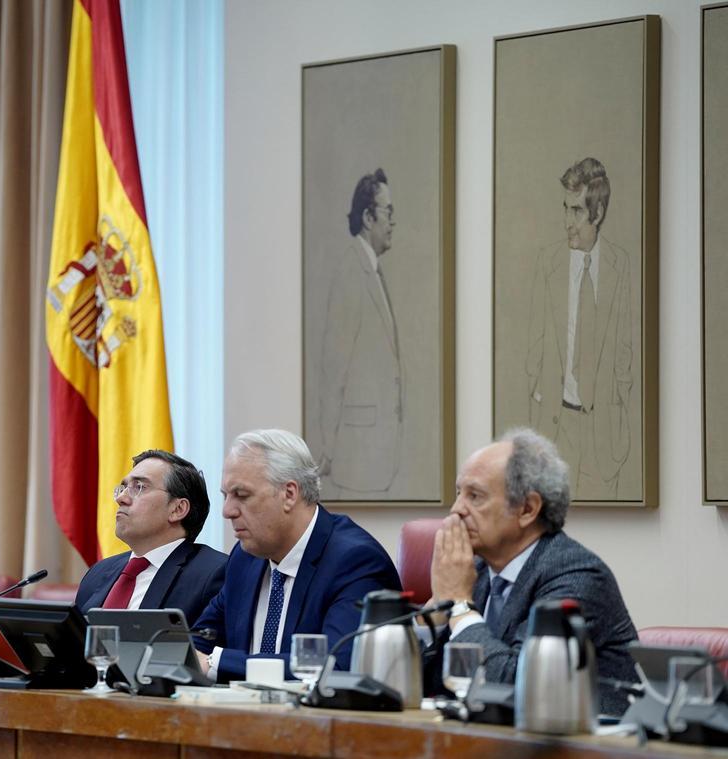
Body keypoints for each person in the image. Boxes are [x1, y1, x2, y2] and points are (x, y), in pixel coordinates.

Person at [424, 427, 638, 715]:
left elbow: (521, 689)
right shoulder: (473, 572)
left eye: (475, 496)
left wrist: (459, 605)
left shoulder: (578, 576)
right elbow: (435, 686)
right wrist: (437, 614)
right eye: (459, 493)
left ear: (527, 509)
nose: (455, 510)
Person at [193, 429, 401, 682]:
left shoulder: (355, 561)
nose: (227, 512)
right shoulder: (246, 557)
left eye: (242, 495)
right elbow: (202, 639)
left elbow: (335, 667)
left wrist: (218, 663)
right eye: (226, 496)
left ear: (289, 494)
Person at [525, 157, 633, 500]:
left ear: (597, 214)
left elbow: (625, 351)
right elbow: (535, 348)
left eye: (576, 211)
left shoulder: (620, 266)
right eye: (565, 209)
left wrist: (617, 398)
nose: (566, 222)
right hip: (557, 428)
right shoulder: (549, 263)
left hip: (604, 436)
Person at [315, 168, 403, 494]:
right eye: (388, 212)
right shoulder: (351, 272)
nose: (393, 221)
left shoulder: (371, 270)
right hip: (356, 455)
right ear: (368, 217)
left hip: (373, 453)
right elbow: (333, 368)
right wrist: (330, 448)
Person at [75, 449, 226, 624]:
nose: (121, 498)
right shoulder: (98, 573)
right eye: (123, 488)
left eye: (139, 487)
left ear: (178, 509)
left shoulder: (215, 573)